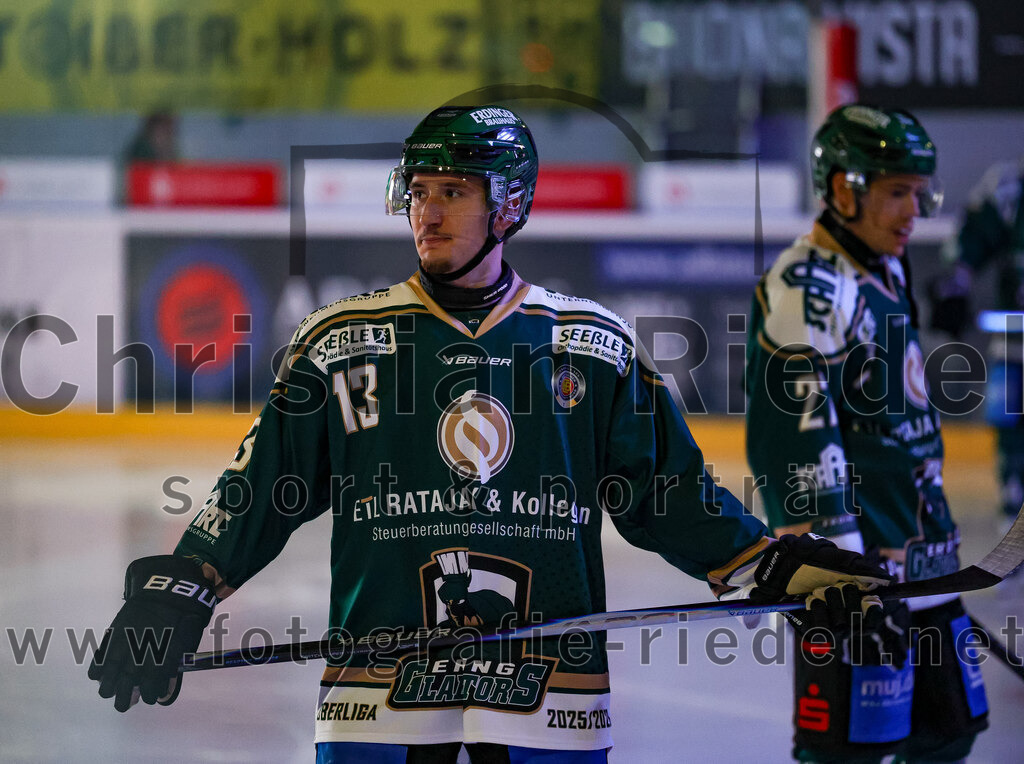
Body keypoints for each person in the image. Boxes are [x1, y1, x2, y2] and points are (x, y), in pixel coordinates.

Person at [90, 104, 897, 762]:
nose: (426, 211)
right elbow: (262, 487)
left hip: (553, 699)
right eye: (418, 191)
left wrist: (778, 570)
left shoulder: (592, 343)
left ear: (508, 204)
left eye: (451, 192)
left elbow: (669, 496)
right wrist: (184, 582)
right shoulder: (339, 341)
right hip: (378, 703)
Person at [745, 103, 990, 763]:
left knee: (949, 733)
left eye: (919, 191)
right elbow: (796, 439)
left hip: (924, 565)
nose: (914, 211)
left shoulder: (883, 267)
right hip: (864, 578)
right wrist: (841, 574)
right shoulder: (808, 285)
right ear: (844, 188)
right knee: (846, 753)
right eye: (896, 192)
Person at [931, 156, 1024, 532]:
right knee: (1010, 414)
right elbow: (970, 238)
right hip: (1016, 338)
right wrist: (958, 280)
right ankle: (1013, 493)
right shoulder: (1010, 191)